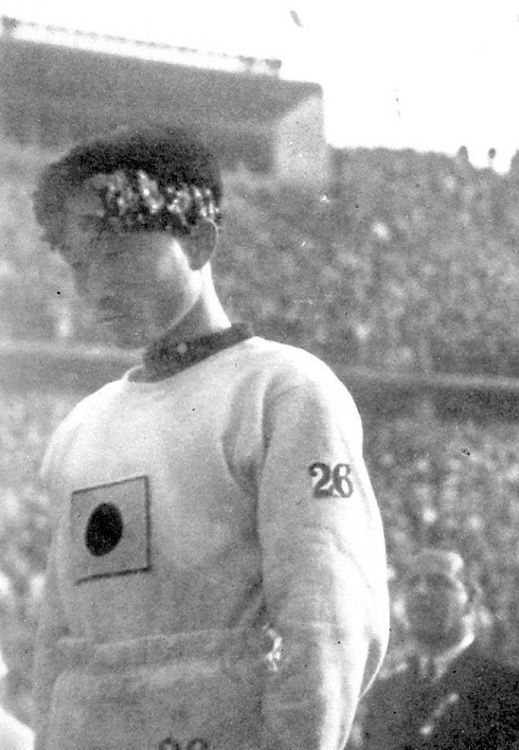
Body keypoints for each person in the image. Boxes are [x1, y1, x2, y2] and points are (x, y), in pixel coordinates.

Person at [30, 126, 390, 749]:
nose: (94, 287)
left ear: (198, 240)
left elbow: (327, 628)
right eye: (80, 264)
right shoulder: (79, 430)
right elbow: (55, 649)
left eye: (116, 254)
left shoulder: (284, 390)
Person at [359, 549, 519, 750]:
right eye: (412, 582)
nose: (421, 591)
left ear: (471, 600)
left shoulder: (509, 690)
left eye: (438, 582)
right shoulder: (386, 692)